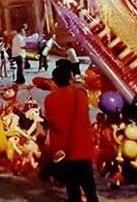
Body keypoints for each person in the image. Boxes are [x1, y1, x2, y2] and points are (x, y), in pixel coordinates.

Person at [44, 65, 99, 202]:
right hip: (81, 145)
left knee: (72, 186)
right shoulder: (79, 94)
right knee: (89, 185)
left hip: (63, 148)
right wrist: (78, 85)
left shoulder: (50, 99)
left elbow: (52, 123)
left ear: (55, 81)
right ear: (69, 79)